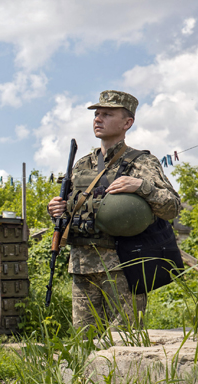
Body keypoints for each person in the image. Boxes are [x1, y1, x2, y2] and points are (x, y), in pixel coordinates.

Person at [47, 90, 180, 329]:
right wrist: (59, 210)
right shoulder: (82, 164)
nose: (98, 119)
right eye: (97, 114)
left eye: (107, 114)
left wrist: (142, 186)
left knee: (123, 343)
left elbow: (172, 207)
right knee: (83, 342)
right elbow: (78, 211)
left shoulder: (141, 162)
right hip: (82, 266)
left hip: (123, 267)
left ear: (127, 122)